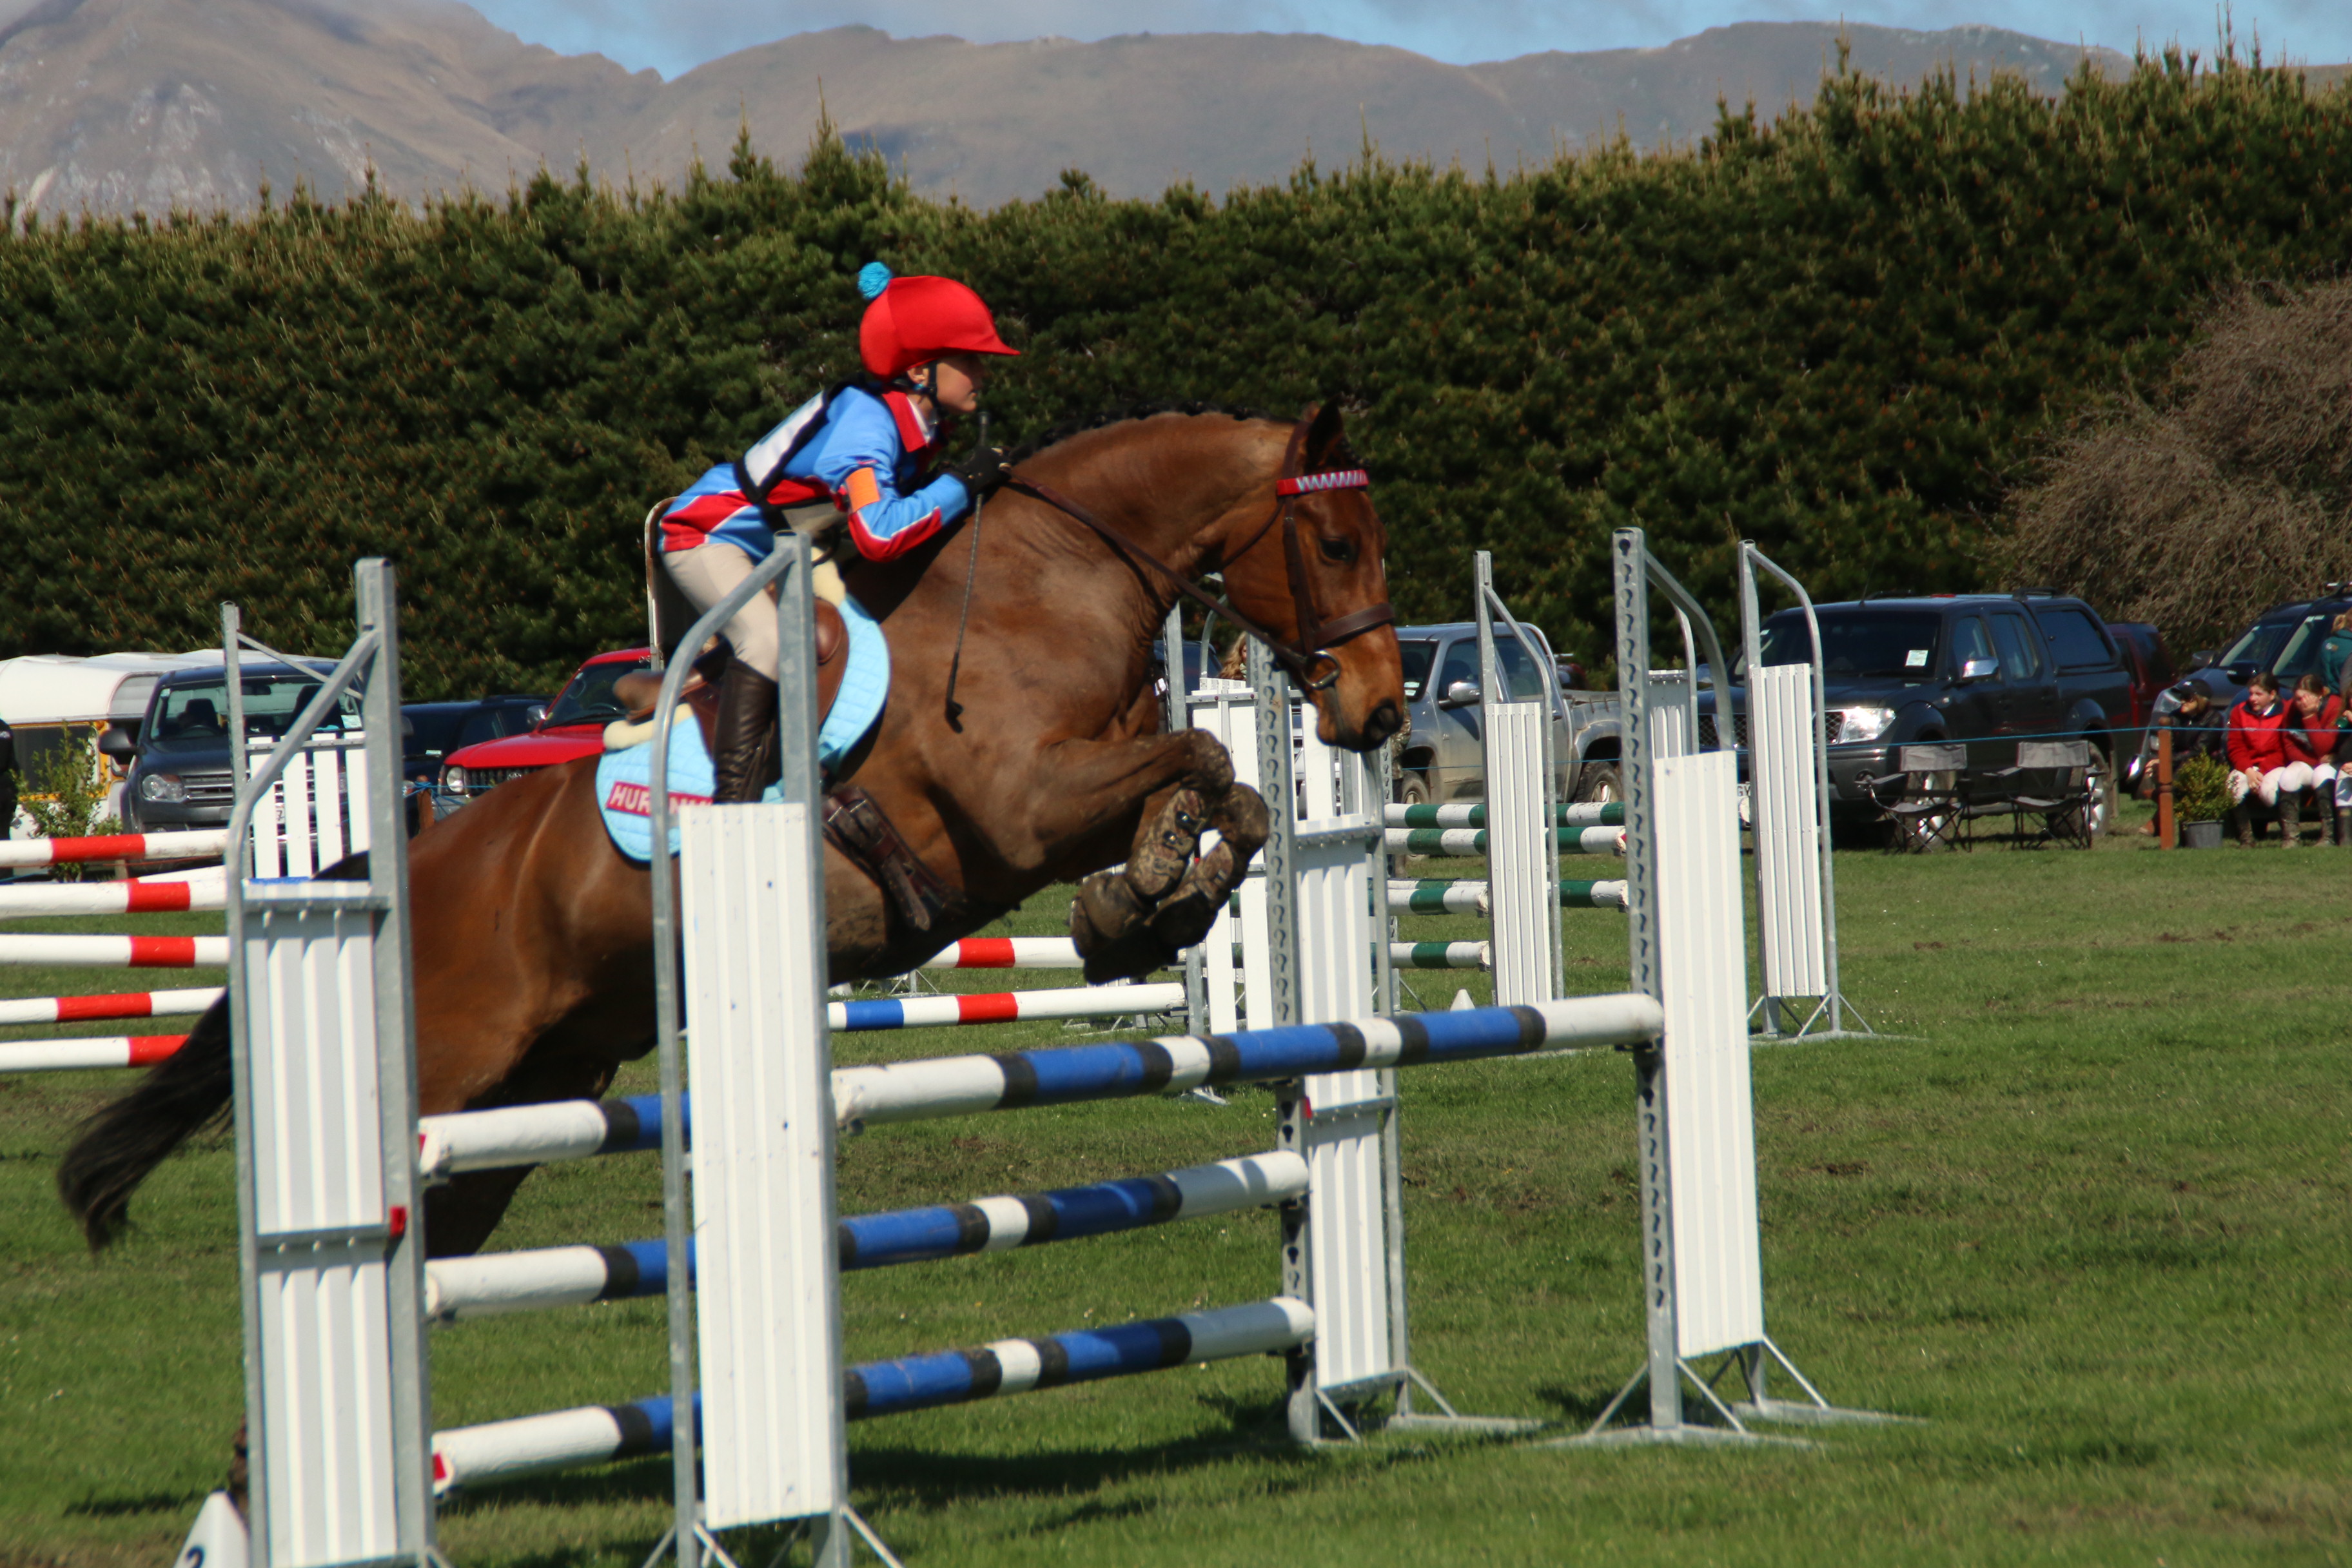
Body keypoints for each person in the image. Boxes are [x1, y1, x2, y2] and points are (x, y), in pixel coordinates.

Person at [657, 262, 1020, 801]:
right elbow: (878, 535)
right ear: (920, 371)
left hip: (785, 551)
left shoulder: (918, 425)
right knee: (766, 640)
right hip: (708, 536)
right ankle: (733, 806)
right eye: (970, 359)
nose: (984, 374)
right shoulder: (868, 423)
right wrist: (961, 485)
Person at [2135, 683, 2223, 835]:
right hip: (2178, 764)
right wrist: (2159, 762)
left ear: (2200, 700)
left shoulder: (2214, 719)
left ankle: (2157, 818)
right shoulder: (2174, 717)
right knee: (2169, 771)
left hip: (2206, 764)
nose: (2182, 701)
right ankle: (2161, 797)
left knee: (2179, 777)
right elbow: (2170, 747)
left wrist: (2167, 761)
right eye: (2181, 697)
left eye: (2188, 698)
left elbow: (2199, 751)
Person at [2224, 671, 2295, 847]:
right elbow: (2235, 746)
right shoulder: (2239, 712)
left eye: (2258, 694)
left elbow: (2284, 749)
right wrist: (2248, 770)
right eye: (2251, 694)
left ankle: (2289, 835)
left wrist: (2261, 772)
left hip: (2274, 766)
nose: (2253, 699)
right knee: (2232, 789)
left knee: (2268, 793)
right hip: (2247, 766)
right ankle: (2246, 838)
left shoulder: (2286, 711)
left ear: (2272, 695)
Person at [2282, 671, 2345, 847]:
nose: (2301, 703)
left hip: (2334, 760)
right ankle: (2291, 837)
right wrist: (2315, 761)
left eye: (2306, 698)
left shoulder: (2334, 706)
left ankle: (2328, 836)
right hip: (2311, 760)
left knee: (2321, 775)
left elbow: (2324, 746)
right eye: (2297, 698)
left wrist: (2309, 717)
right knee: (2288, 777)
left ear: (2320, 695)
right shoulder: (2290, 709)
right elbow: (2289, 746)